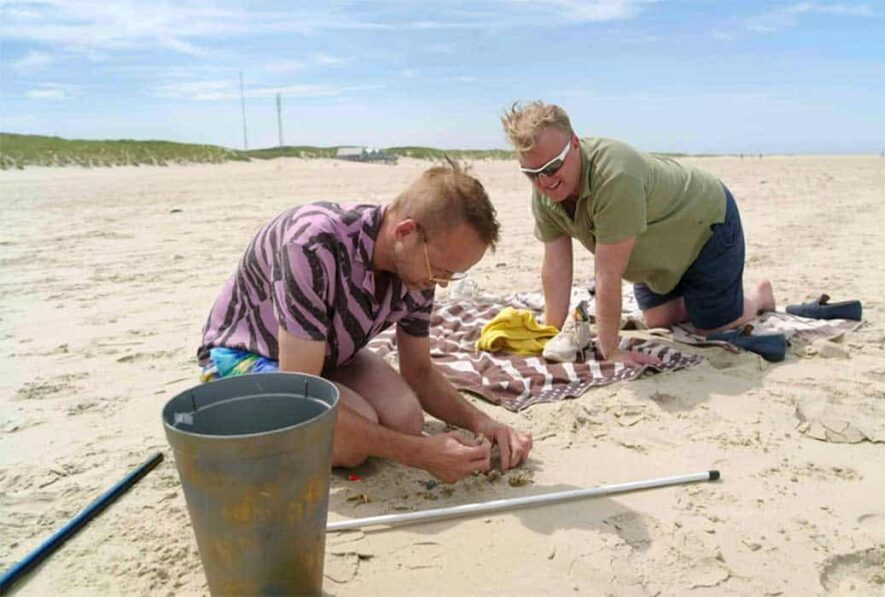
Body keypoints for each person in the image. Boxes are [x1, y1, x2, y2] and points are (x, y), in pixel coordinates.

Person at [197, 163, 532, 483]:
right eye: (440, 270)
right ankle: (247, 421)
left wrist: (483, 423)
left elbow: (419, 371)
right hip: (245, 354)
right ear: (406, 231)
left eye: (452, 274)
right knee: (352, 442)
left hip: (322, 353)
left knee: (406, 418)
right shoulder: (312, 245)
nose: (441, 283)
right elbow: (303, 398)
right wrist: (422, 455)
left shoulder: (417, 270)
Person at [501, 101, 776, 366]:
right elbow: (556, 265)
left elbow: (607, 273)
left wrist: (610, 350)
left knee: (713, 327)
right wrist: (551, 331)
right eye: (531, 173)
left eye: (552, 167)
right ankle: (701, 297)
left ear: (575, 143)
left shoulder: (614, 175)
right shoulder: (545, 192)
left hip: (706, 224)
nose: (545, 181)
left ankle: (758, 296)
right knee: (657, 319)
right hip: (657, 249)